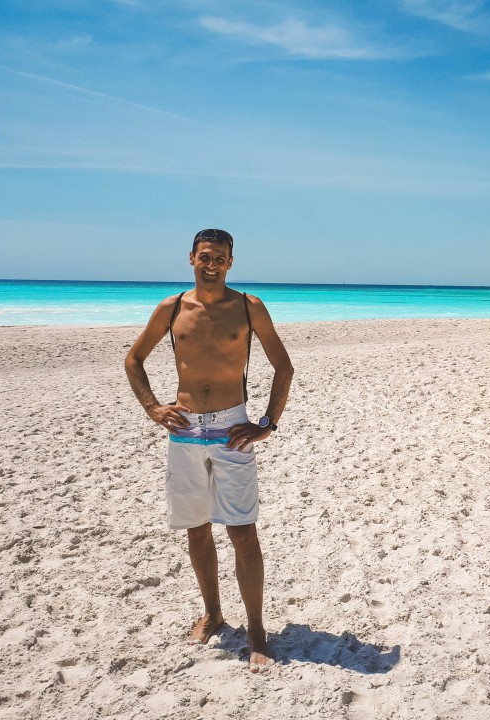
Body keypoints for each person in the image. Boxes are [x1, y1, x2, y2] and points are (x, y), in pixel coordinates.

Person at [124, 228, 293, 672]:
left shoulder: (248, 307)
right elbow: (133, 359)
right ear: (191, 259)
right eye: (204, 256)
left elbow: (284, 367)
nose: (211, 263)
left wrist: (267, 425)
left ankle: (256, 631)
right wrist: (152, 407)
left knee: (242, 531)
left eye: (220, 257)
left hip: (231, 428)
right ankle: (214, 613)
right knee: (196, 529)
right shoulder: (174, 308)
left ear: (231, 262)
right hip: (183, 430)